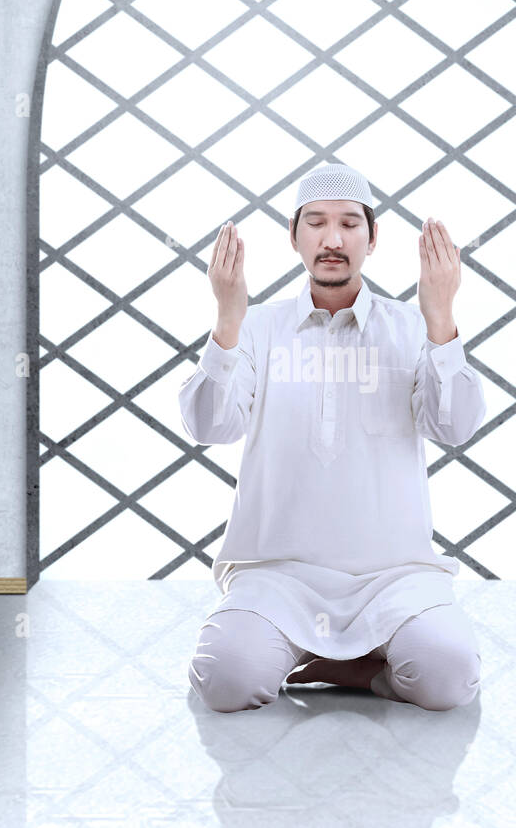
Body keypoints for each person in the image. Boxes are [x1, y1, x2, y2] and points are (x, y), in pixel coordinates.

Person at [179, 163, 487, 713]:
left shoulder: (412, 327)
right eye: (316, 222)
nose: (333, 238)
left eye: (350, 223)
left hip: (393, 577)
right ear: (293, 235)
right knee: (225, 680)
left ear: (372, 239)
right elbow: (208, 427)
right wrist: (227, 317)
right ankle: (329, 658)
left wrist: (440, 314)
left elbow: (457, 427)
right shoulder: (257, 328)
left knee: (449, 679)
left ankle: (350, 672)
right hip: (277, 576)